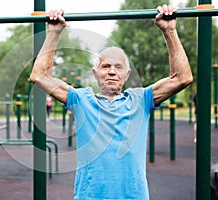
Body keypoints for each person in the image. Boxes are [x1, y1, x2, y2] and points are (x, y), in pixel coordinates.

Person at [29, 4, 193, 200]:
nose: (112, 71)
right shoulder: (81, 100)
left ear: (127, 74)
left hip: (133, 196)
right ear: (95, 73)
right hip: (90, 196)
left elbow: (182, 78)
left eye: (118, 67)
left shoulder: (141, 99)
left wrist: (169, 30)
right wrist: (54, 33)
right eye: (106, 66)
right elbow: (39, 76)